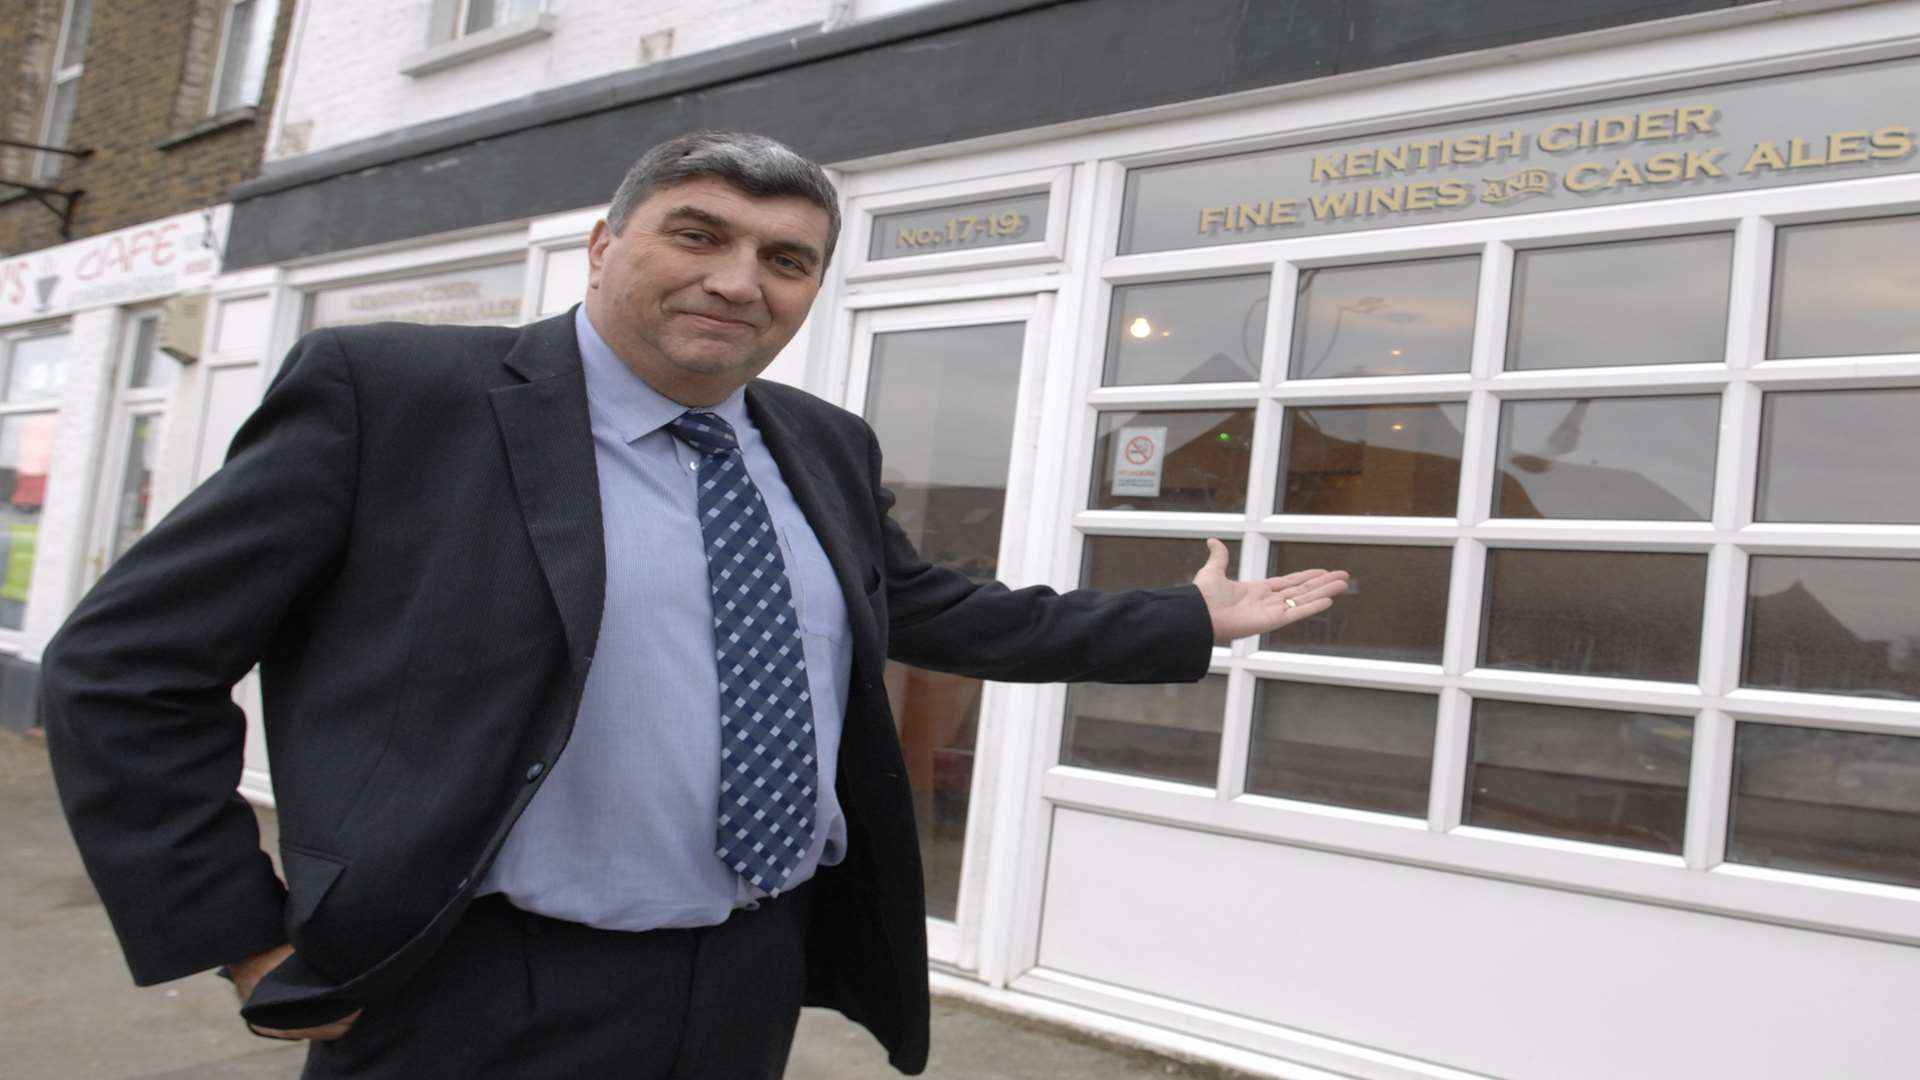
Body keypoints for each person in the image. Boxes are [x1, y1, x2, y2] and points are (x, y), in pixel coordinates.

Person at [41, 131, 1348, 1079]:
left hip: (744, 967)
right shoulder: (396, 399)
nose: (741, 280)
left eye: (787, 258)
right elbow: (122, 668)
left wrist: (1184, 622)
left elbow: (927, 606)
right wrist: (241, 936)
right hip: (476, 978)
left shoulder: (817, 441)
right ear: (607, 245)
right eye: (699, 234)